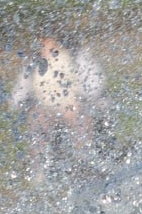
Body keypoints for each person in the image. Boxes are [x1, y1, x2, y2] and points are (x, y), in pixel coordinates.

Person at [7, 35, 105, 181]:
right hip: (45, 108)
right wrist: (24, 105)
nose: (45, 46)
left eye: (48, 42)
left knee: (78, 116)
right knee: (37, 118)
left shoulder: (75, 55)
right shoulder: (33, 62)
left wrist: (82, 101)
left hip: (72, 104)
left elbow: (95, 85)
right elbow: (18, 95)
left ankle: (84, 162)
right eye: (42, 43)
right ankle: (39, 169)